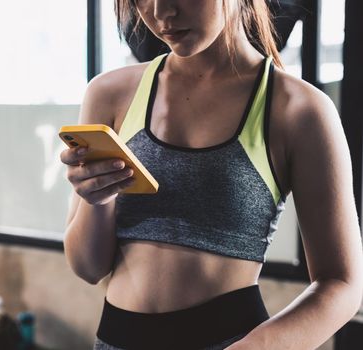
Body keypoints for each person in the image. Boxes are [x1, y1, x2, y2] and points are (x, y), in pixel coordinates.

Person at [60, 1, 363, 349]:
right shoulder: (109, 94)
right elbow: (88, 268)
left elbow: (341, 284)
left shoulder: (299, 109)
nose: (161, 13)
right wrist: (97, 200)